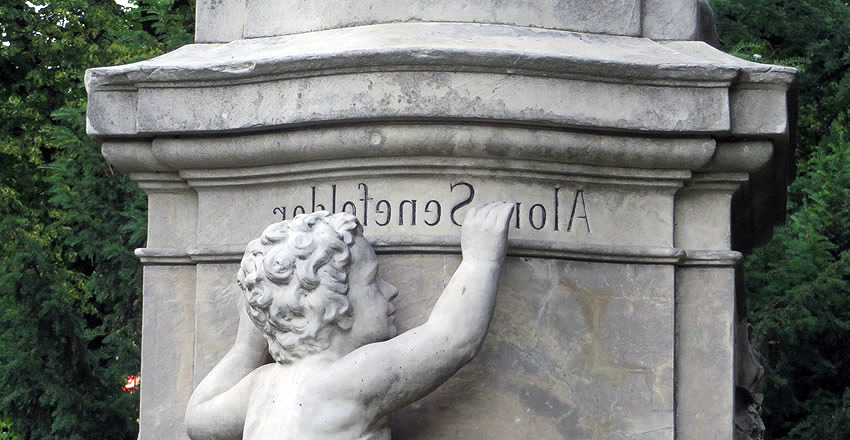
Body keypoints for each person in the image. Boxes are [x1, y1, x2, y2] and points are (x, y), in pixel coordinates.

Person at [185, 202, 514, 440]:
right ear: (330, 306)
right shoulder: (346, 379)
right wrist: (480, 261)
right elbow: (453, 339)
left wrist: (247, 345)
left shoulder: (261, 386)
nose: (392, 290)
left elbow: (197, 418)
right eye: (373, 281)